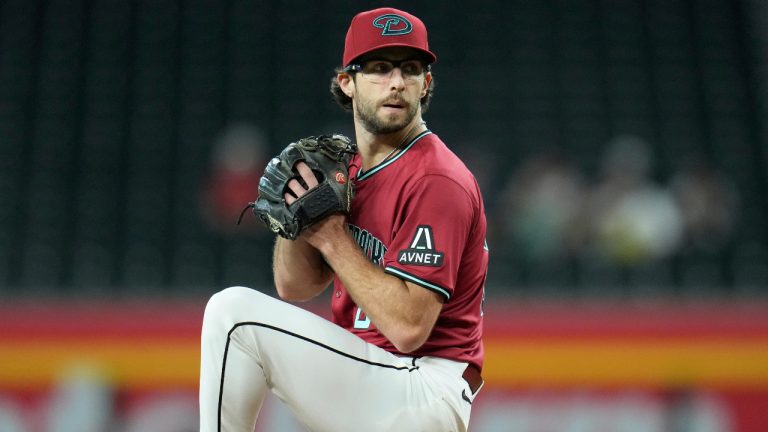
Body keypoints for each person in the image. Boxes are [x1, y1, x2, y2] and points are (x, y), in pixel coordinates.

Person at [199, 7, 488, 432]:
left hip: (422, 387)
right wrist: (299, 221)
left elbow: (409, 328)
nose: (396, 82)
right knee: (241, 322)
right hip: (372, 378)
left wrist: (332, 236)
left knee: (232, 314)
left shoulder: (436, 178)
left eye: (410, 69)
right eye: (378, 68)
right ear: (347, 82)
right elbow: (293, 287)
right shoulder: (344, 172)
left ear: (426, 84)